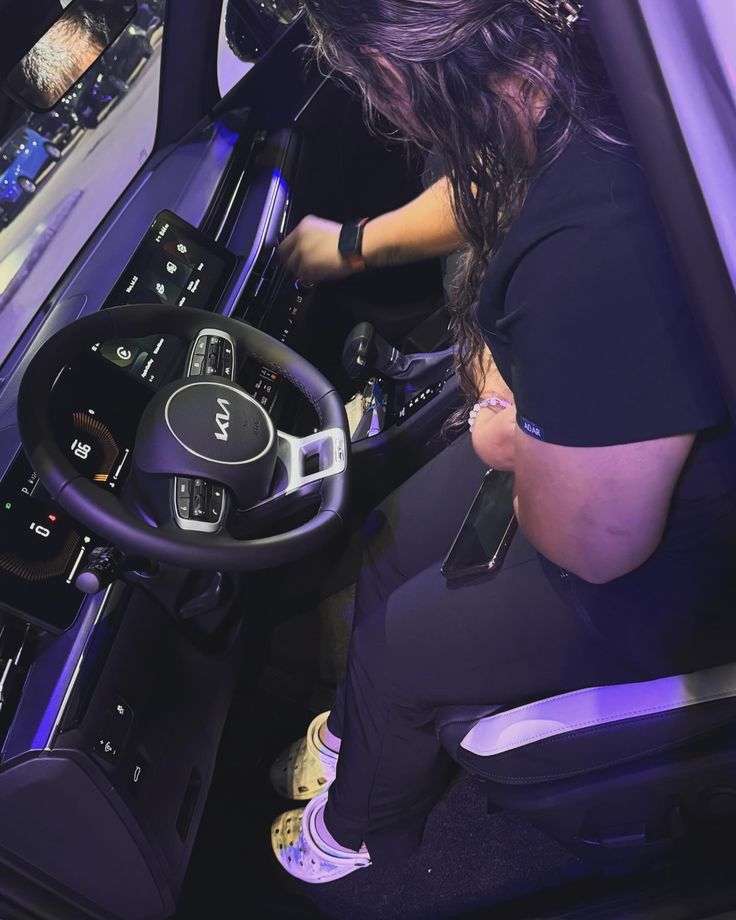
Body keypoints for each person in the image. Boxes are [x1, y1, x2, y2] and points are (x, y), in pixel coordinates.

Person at [269, 0, 736, 884]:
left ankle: (359, 831)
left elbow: (595, 545)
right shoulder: (566, 57)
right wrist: (356, 248)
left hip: (688, 543)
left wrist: (510, 441)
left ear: (398, 74)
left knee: (398, 648)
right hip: (570, 423)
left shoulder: (593, 247)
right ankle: (354, 734)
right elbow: (488, 176)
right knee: (392, 542)